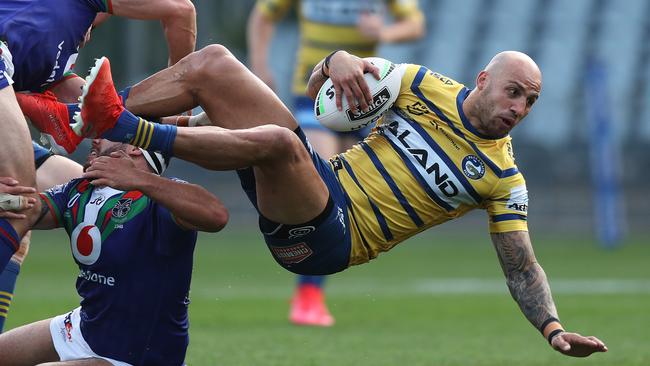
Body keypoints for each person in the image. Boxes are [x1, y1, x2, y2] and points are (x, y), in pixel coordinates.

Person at [32, 45, 607, 357]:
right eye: (514, 91)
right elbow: (323, 88)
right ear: (483, 79)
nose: (519, 107)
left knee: (279, 144)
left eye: (530, 101)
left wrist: (554, 331)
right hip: (316, 183)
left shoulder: (503, 179)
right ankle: (76, 119)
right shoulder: (423, 84)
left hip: (331, 236)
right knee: (215, 65)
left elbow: (523, 266)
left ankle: (127, 125)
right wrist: (337, 61)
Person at [0, 0, 197, 331]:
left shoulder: (51, 54)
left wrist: (177, 130)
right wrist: (180, 107)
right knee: (17, 201)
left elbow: (101, 109)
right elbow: (181, 10)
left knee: (75, 193)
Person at [247, 0, 425, 326]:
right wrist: (260, 66)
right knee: (323, 184)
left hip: (364, 100)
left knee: (347, 196)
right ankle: (308, 295)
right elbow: (264, 14)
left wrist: (383, 31)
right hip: (315, 95)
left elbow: (414, 23)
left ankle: (314, 282)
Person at [0, 139, 228, 365]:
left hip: (133, 356)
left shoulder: (159, 198)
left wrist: (138, 179)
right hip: (84, 328)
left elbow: (216, 216)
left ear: (134, 147)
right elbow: (28, 209)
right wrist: (4, 200)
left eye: (108, 131)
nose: (95, 138)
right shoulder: (79, 190)